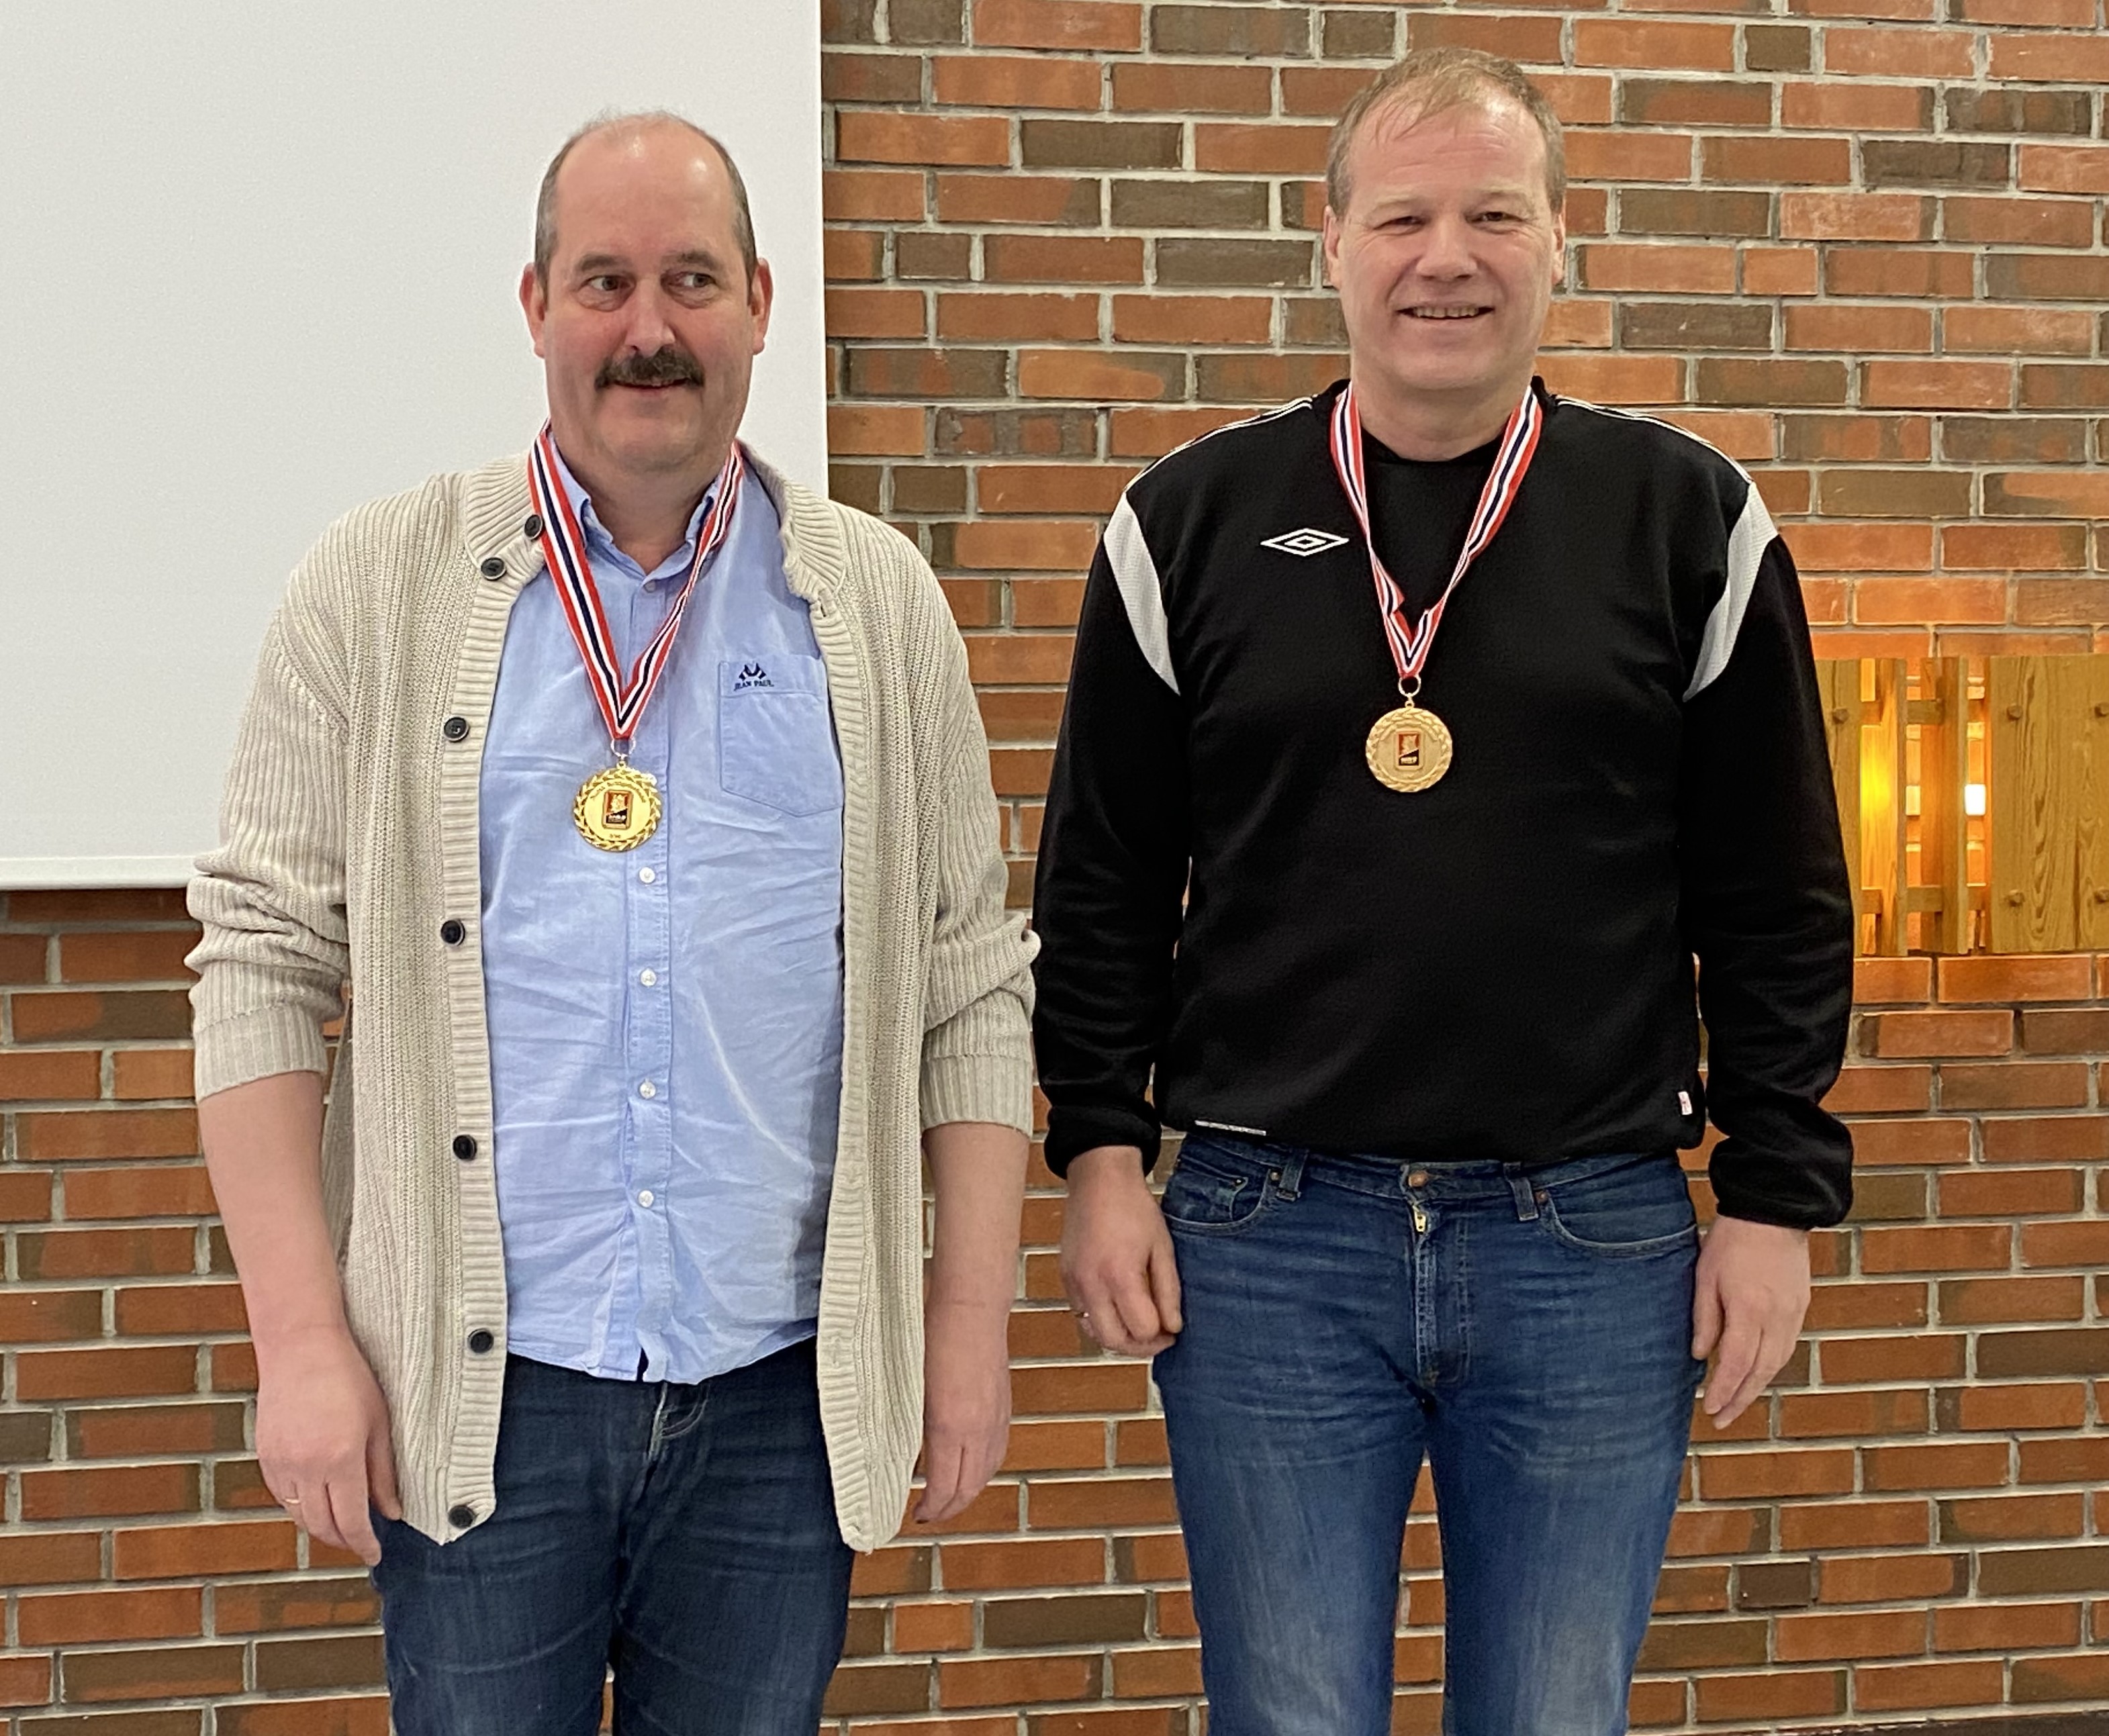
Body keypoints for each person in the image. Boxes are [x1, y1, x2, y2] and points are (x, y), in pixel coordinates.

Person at [1030, 48, 1854, 1736]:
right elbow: (1101, 877)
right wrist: (1099, 1152)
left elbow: (1775, 890)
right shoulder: (1185, 521)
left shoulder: (1685, 518)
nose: (1445, 259)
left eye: (1493, 214)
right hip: (1265, 1235)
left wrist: (1772, 1196)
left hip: (1589, 1235)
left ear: (1559, 241)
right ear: (1328, 240)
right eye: (1402, 217)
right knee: (1287, 1716)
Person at [187, 111, 1035, 1735]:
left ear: (760, 303)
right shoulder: (375, 585)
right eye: (605, 282)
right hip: (484, 1399)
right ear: (535, 307)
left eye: (692, 280)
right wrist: (298, 1342)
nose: (649, 328)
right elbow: (260, 965)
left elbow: (968, 984)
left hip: (777, 1401)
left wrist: (965, 1326)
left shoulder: (876, 605)